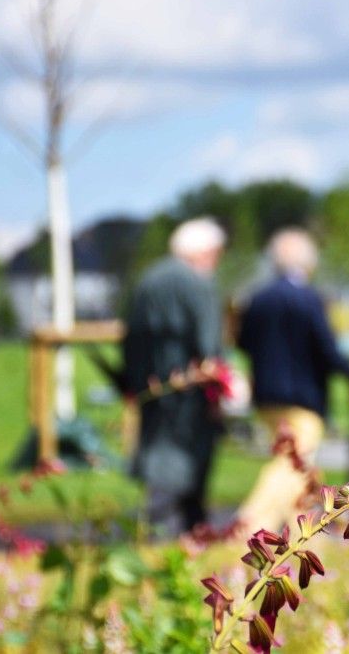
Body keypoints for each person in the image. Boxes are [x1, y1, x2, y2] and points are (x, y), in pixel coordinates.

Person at [236, 229, 349, 532]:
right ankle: (248, 528)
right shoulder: (308, 299)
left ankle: (301, 533)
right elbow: (326, 347)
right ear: (308, 263)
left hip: (266, 397)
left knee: (292, 463)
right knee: (293, 463)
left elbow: (243, 342)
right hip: (303, 398)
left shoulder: (258, 299)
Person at [123, 218, 226, 535]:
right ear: (205, 252)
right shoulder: (197, 284)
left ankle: (161, 527)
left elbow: (130, 338)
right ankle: (182, 531)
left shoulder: (147, 280)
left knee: (157, 453)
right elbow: (209, 348)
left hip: (150, 387)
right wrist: (218, 391)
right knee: (185, 460)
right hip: (189, 392)